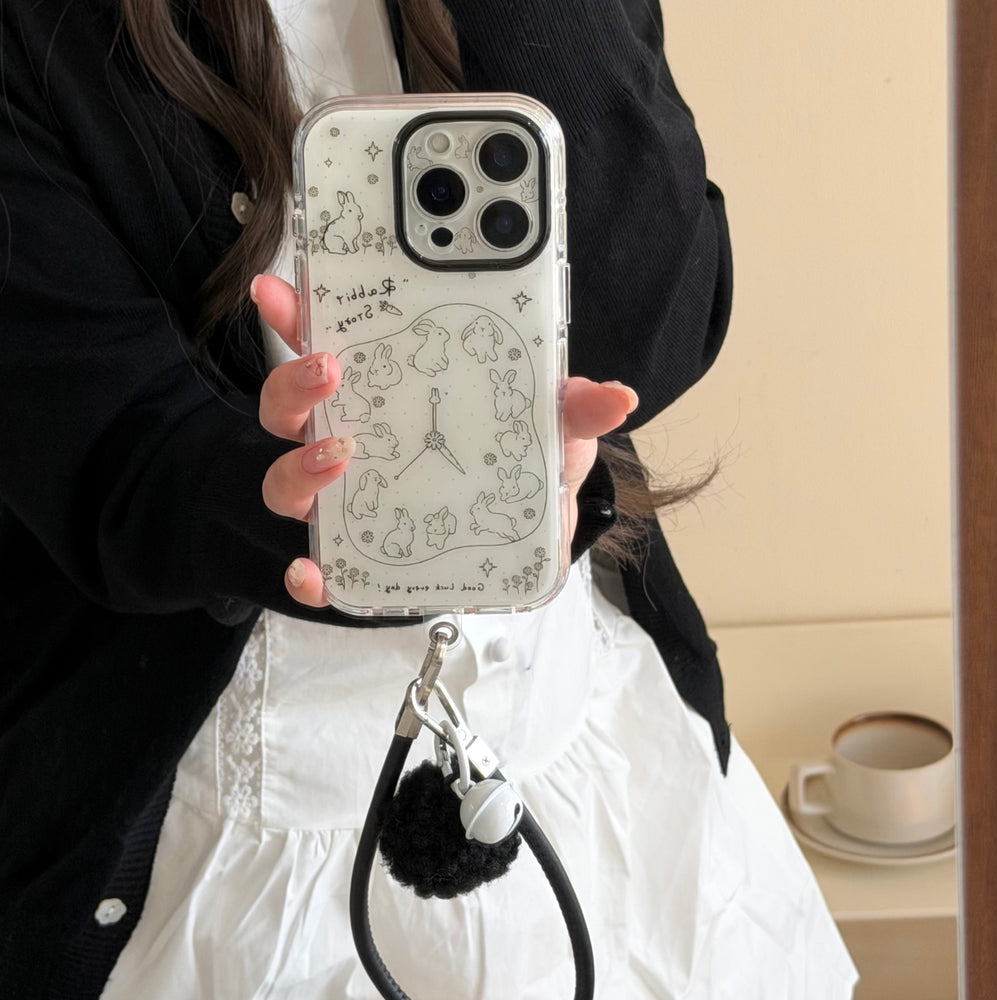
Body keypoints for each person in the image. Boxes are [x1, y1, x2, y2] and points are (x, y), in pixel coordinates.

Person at [0, 1, 858, 997]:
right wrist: (276, 495)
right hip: (225, 842)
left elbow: (652, 318)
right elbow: (108, 448)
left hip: (579, 741)